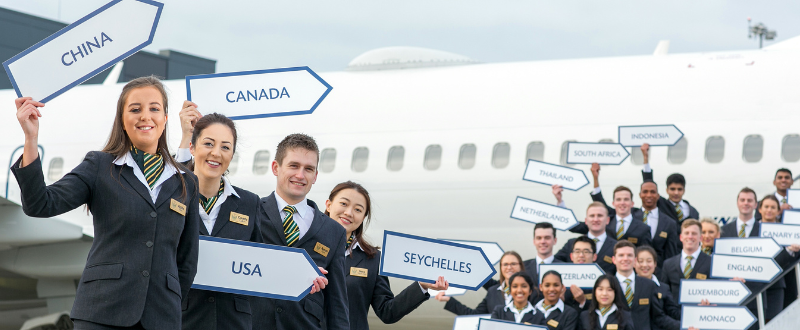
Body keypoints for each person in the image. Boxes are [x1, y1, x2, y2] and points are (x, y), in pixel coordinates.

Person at [12, 77, 200, 329]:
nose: (146, 116)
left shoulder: (186, 181)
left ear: (165, 119)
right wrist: (30, 138)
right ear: (122, 120)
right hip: (102, 312)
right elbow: (40, 204)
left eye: (154, 109)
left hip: (161, 317)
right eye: (135, 109)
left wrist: (170, 300)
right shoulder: (100, 166)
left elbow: (187, 260)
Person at [253, 134, 350, 330]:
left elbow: (337, 304)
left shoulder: (334, 231)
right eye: (293, 166)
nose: (300, 175)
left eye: (308, 169)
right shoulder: (251, 212)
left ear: (315, 176)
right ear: (275, 168)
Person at [177, 112, 262, 330]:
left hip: (233, 322)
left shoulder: (249, 203)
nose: (216, 153)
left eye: (225, 147)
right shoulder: (171, 196)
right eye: (208, 144)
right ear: (193, 148)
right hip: (183, 319)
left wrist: (304, 274)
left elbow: (261, 262)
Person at [323, 181, 447, 329]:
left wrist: (421, 286)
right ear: (329, 205)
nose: (349, 213)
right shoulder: (306, 247)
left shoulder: (372, 259)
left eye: (358, 209)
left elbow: (388, 312)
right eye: (343, 204)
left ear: (363, 217)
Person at [570, 164, 652, 247]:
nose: (622, 203)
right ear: (613, 203)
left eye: (626, 199)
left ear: (632, 203)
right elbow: (599, 202)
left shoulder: (643, 228)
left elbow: (645, 252)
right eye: (618, 199)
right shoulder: (603, 222)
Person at [440, 251, 541, 314]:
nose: (509, 267)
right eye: (505, 264)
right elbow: (475, 315)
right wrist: (449, 300)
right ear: (501, 268)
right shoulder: (493, 292)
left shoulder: (533, 292)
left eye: (513, 264)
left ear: (521, 266)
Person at [611, 240, 678, 330]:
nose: (625, 258)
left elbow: (659, 317)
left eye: (629, 255)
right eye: (621, 255)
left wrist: (684, 327)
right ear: (614, 259)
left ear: (635, 260)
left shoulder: (649, 285)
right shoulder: (608, 285)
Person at [757, 195, 800, 321]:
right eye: (766, 207)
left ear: (778, 211)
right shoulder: (752, 230)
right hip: (754, 286)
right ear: (760, 209)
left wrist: (790, 250)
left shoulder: (788, 232)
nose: (769, 210)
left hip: (778, 284)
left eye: (773, 207)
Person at [553, 192, 617, 275]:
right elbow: (554, 262)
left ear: (608, 220)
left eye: (600, 215)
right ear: (586, 220)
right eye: (592, 216)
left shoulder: (616, 247)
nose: (596, 219)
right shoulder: (571, 244)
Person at [484, 222, 560, 289]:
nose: (543, 241)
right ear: (534, 241)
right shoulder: (521, 267)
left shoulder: (564, 268)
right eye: (539, 238)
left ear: (555, 240)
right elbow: (499, 286)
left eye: (547, 238)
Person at [640, 143, 699, 222]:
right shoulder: (661, 205)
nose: (676, 193)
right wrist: (645, 158)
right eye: (672, 189)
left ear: (684, 190)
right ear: (666, 190)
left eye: (679, 189)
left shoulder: (693, 211)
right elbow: (648, 183)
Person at [661, 219, 711, 301]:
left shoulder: (711, 263)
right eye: (687, 233)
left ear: (701, 238)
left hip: (700, 311)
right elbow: (664, 294)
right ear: (681, 237)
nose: (690, 236)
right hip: (674, 313)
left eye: (694, 233)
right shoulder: (668, 264)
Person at [638, 180, 680, 276]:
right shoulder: (631, 218)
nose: (649, 195)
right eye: (645, 192)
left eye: (652, 192)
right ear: (640, 194)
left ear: (658, 195)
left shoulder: (669, 223)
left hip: (660, 274)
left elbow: (671, 254)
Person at [634, 246, 681, 327]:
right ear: (634, 263)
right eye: (640, 261)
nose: (645, 265)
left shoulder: (663, 288)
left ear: (655, 263)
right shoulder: (629, 287)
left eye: (649, 261)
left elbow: (673, 312)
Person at [560, 235, 599, 312]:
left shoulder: (601, 279)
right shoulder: (561, 278)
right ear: (571, 256)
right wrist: (559, 301)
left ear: (594, 257)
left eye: (586, 252)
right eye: (577, 251)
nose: (581, 255)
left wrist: (583, 301)